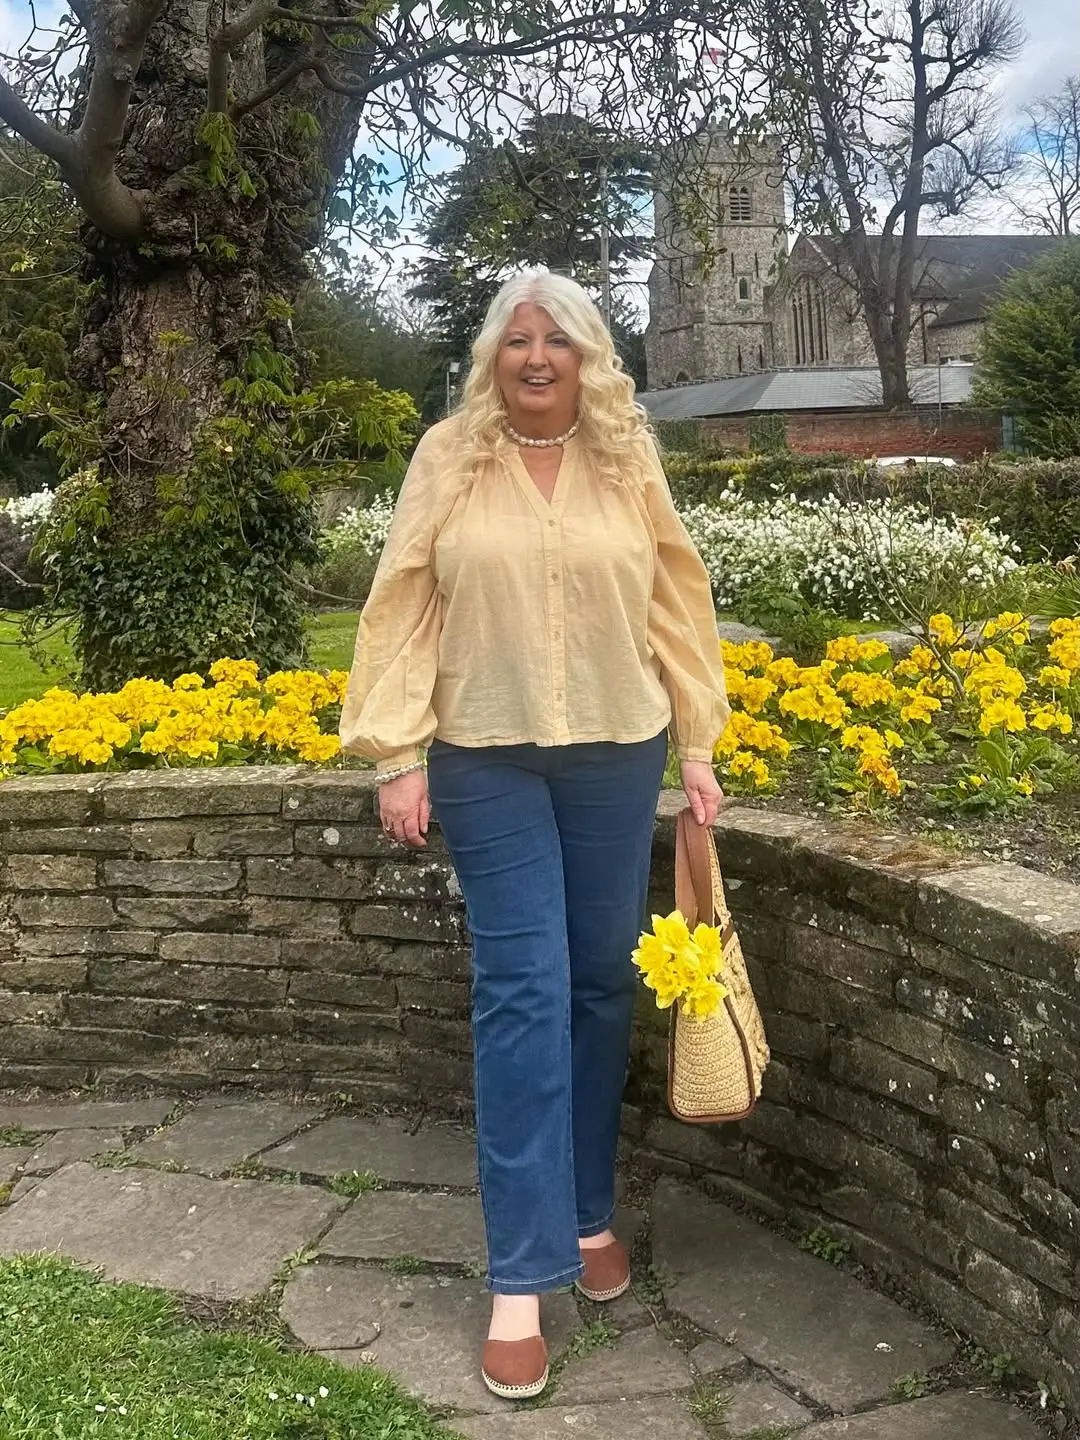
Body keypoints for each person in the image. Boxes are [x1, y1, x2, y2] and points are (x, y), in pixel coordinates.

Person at [339, 269, 729, 1400]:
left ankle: (591, 1212)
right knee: (522, 987)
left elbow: (675, 592)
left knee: (603, 981)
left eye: (559, 340)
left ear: (591, 356)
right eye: (519, 342)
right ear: (493, 359)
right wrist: (397, 752)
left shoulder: (626, 452)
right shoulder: (448, 455)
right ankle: (522, 1276)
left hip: (619, 747)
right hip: (486, 751)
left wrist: (697, 741)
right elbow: (402, 597)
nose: (538, 357)